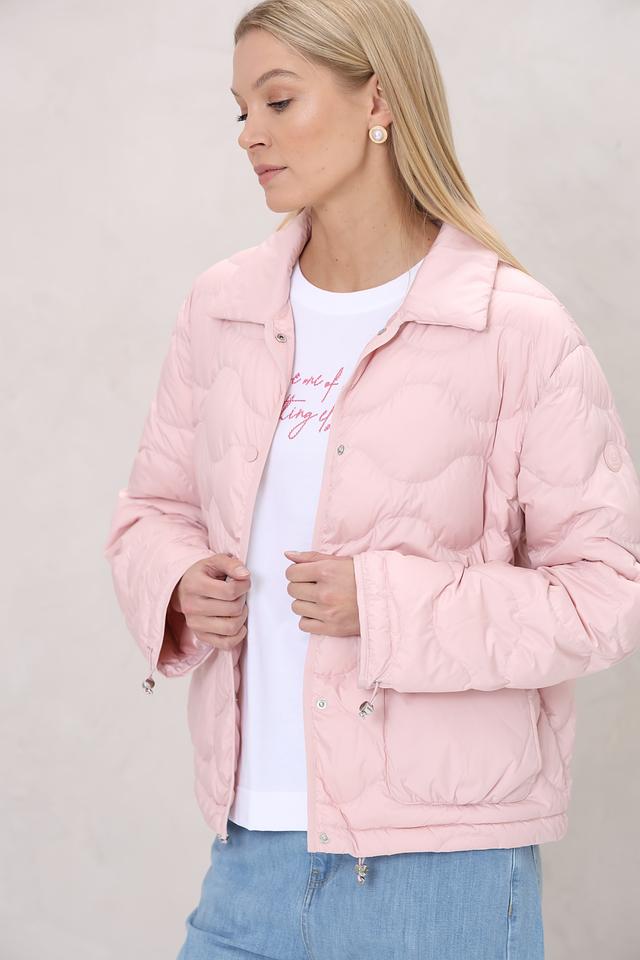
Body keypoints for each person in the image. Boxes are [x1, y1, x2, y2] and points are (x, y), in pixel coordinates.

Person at [103, 1, 640, 958]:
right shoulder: (223, 310)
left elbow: (608, 594)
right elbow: (153, 511)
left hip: (442, 877)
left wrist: (386, 605)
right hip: (248, 853)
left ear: (378, 101)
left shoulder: (514, 328)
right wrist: (178, 583)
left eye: (278, 101)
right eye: (239, 110)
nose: (249, 134)